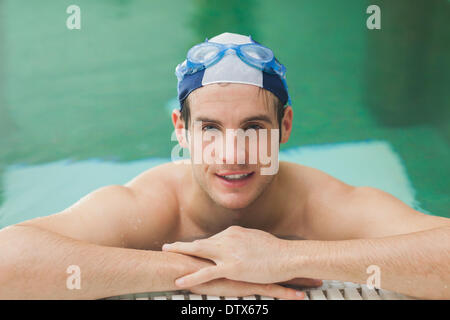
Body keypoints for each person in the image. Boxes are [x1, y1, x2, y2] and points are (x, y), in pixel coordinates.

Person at [0, 33, 448, 300]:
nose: (232, 154)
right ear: (182, 130)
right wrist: (205, 271)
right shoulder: (151, 204)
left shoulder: (324, 205)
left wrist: (286, 258)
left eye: (253, 126)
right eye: (210, 128)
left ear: (284, 125)